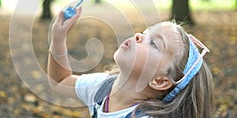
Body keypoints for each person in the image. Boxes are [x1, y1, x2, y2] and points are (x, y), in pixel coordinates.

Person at [47, 7, 214, 118]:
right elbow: (61, 82)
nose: (138, 36)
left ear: (159, 80)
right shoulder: (102, 87)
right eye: (146, 32)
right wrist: (58, 38)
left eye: (153, 43)